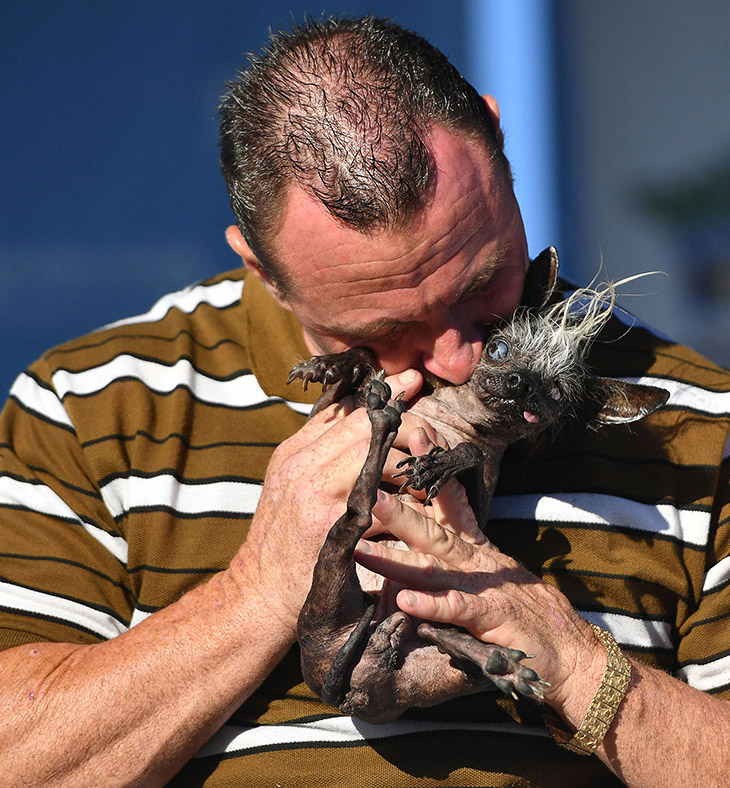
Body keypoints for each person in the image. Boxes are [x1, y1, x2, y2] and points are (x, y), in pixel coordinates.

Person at [0, 15, 729, 788]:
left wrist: (570, 658)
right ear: (263, 271)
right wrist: (262, 587)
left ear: (499, 140)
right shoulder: (97, 409)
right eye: (384, 330)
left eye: (483, 282)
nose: (458, 357)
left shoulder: (687, 422)